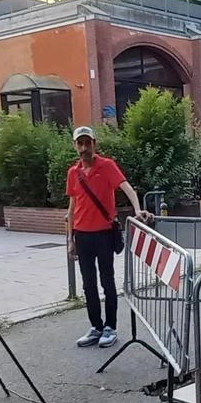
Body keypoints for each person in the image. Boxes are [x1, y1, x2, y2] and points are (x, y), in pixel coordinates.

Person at [66, 126, 151, 349]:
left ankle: (110, 328)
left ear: (95, 143)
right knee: (88, 285)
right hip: (82, 235)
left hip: (103, 233)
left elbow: (127, 188)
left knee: (107, 281)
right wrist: (70, 238)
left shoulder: (107, 166)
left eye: (88, 143)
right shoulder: (73, 172)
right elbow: (73, 204)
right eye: (80, 143)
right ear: (75, 145)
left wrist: (137, 209)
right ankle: (96, 327)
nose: (84, 148)